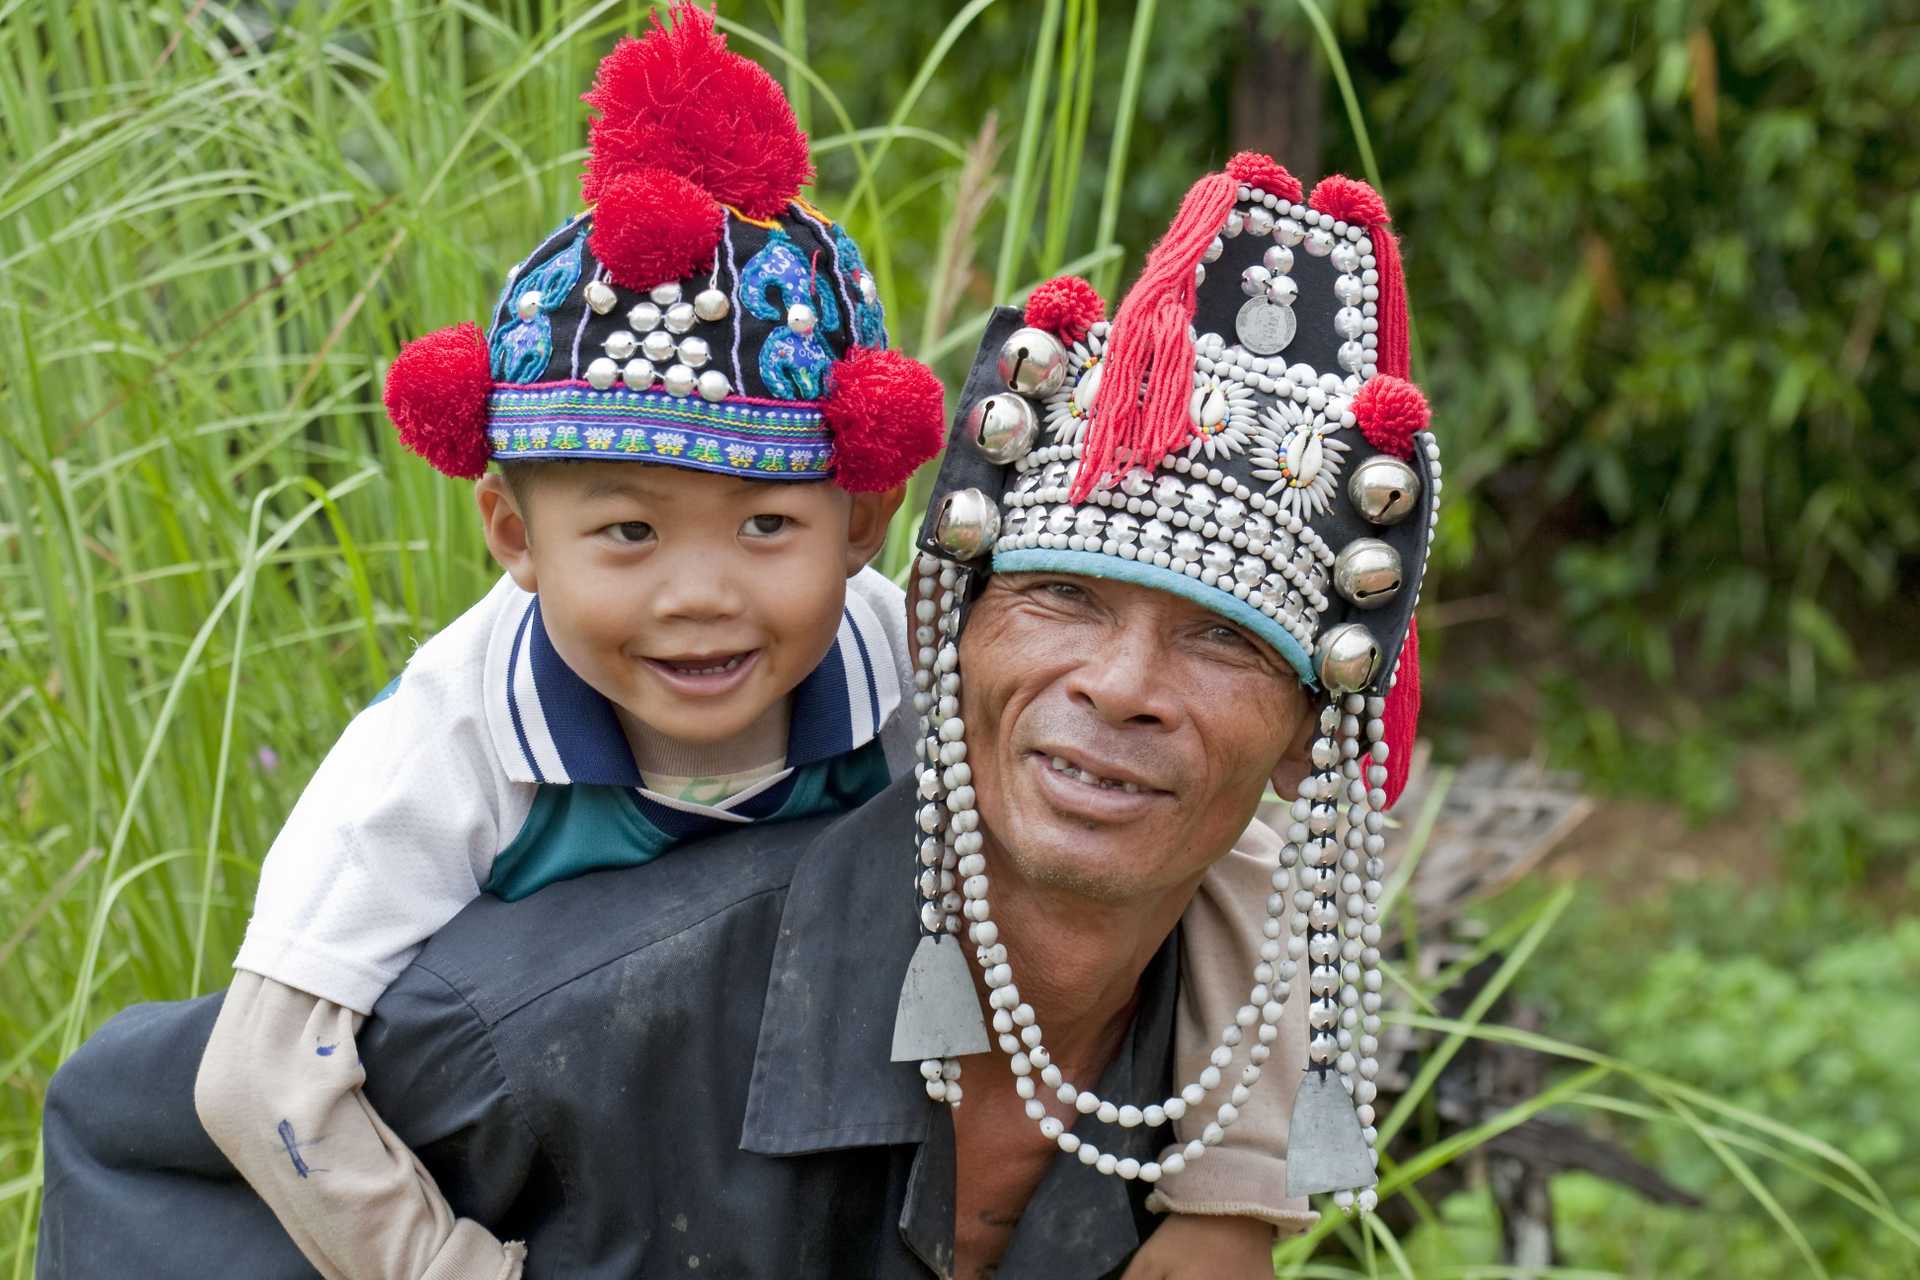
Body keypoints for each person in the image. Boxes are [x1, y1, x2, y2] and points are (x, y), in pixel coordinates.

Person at [137, 8, 1365, 1278]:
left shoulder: (906, 651)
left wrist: (1231, 1196)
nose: (702, 595)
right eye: (625, 532)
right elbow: (261, 1074)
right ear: (510, 530)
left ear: (866, 522)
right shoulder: (440, 747)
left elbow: (1245, 860)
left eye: (768, 520)